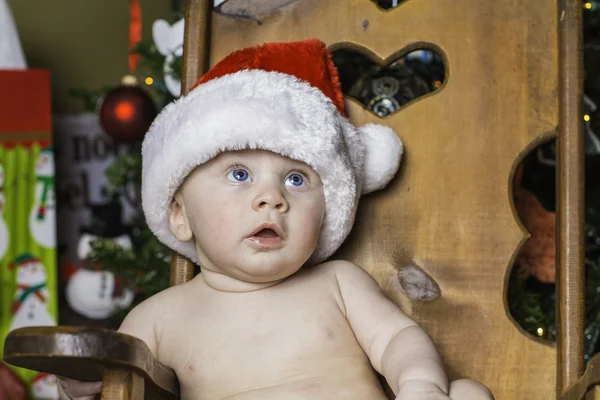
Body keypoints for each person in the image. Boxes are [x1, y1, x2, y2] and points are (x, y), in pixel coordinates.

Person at [58, 39, 494, 400]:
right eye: (239, 174)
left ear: (326, 214)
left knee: (469, 394)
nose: (272, 198)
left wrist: (419, 384)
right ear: (180, 216)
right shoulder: (157, 318)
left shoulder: (338, 284)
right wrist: (83, 386)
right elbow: (121, 385)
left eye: (297, 179)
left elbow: (398, 339)